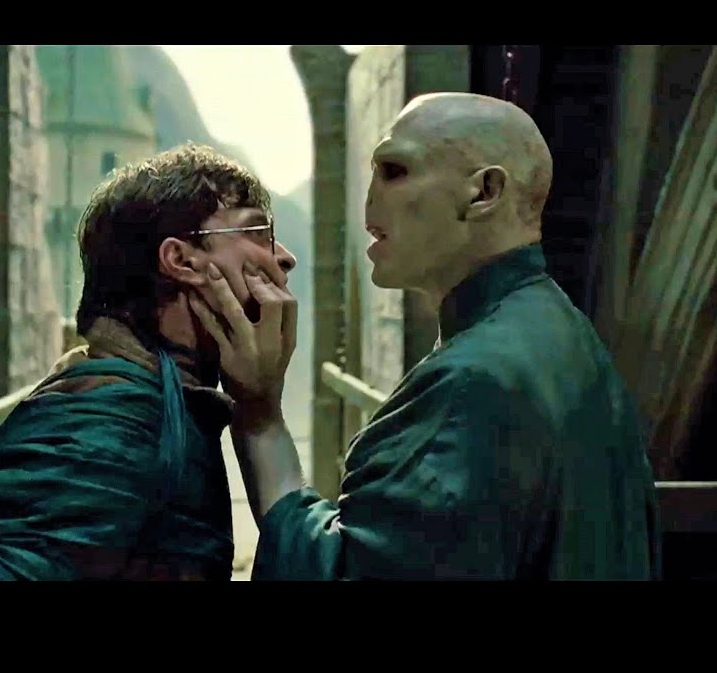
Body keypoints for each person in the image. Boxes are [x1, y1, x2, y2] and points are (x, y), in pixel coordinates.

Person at [191, 93, 661, 580]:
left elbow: (348, 573)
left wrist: (260, 416)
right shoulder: (563, 331)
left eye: (395, 171)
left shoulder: (472, 383)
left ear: (484, 192)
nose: (369, 202)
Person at [0, 143, 297, 580]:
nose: (284, 257)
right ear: (180, 260)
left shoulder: (151, 405)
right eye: (256, 231)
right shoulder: (111, 435)